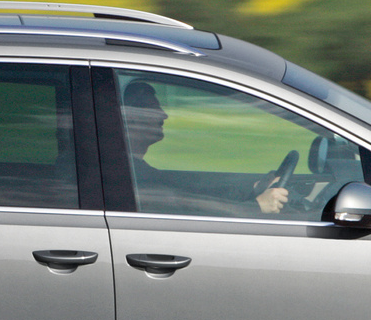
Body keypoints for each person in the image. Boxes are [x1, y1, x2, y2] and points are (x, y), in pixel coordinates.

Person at [121, 80, 290, 217]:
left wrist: (253, 189)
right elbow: (186, 204)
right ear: (133, 118)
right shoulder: (136, 176)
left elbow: (191, 189)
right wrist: (256, 206)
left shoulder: (137, 170)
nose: (164, 115)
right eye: (154, 108)